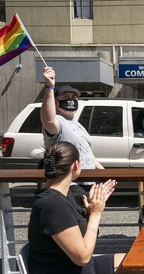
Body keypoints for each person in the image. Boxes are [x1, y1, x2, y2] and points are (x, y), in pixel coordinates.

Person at [28, 141, 124, 274]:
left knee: (140, 263)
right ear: (76, 165)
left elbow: (81, 239)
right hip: (75, 269)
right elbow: (82, 257)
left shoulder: (63, 195)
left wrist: (90, 212)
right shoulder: (53, 204)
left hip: (84, 268)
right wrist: (96, 214)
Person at [41, 66, 104, 209]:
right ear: (55, 102)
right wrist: (49, 88)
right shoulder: (58, 122)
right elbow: (48, 120)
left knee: (90, 224)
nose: (71, 99)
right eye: (65, 97)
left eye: (74, 97)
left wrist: (103, 173)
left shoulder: (77, 124)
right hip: (71, 185)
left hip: (89, 184)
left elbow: (87, 151)